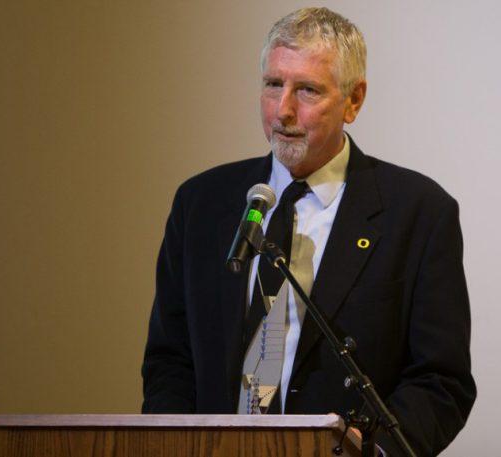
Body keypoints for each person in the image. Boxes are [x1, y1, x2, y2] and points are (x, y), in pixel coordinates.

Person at [141, 7, 475, 456]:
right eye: (273, 84)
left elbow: (441, 379)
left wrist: (367, 451)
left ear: (353, 101)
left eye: (308, 90)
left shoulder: (418, 213)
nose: (283, 110)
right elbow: (170, 359)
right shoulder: (201, 204)